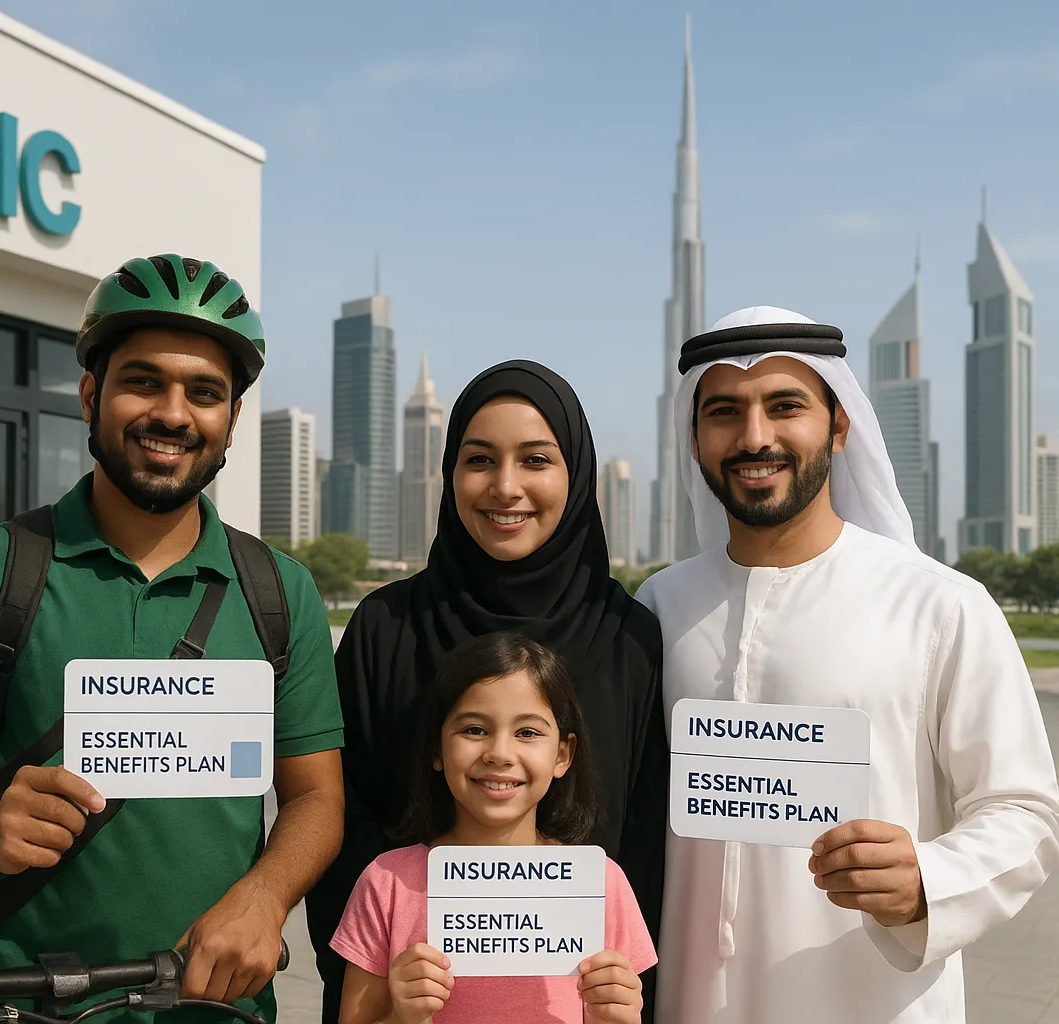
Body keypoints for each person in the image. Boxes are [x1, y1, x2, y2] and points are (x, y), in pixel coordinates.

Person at [0, 254, 345, 1023]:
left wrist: (266, 897)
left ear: (232, 419)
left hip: (214, 1009)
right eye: (143, 381)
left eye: (205, 393)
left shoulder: (280, 591)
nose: (173, 413)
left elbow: (317, 796)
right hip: (18, 1005)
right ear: (90, 395)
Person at [637, 305, 1059, 1023]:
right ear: (695, 437)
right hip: (693, 1002)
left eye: (785, 406)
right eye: (725, 412)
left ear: (839, 426)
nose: (755, 437)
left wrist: (928, 879)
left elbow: (1024, 810)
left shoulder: (938, 605)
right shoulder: (658, 606)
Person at [306, 360, 667, 1021]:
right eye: (479, 460)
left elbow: (646, 843)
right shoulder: (388, 627)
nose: (505, 486)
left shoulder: (629, 637)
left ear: (576, 477)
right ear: (449, 474)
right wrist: (384, 986)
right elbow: (345, 824)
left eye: (536, 460)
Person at [330, 631, 656, 1024]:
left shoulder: (600, 885)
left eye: (527, 733)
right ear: (436, 748)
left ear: (562, 755)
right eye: (474, 729)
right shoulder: (387, 884)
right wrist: (402, 1016)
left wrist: (617, 1018)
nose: (500, 754)